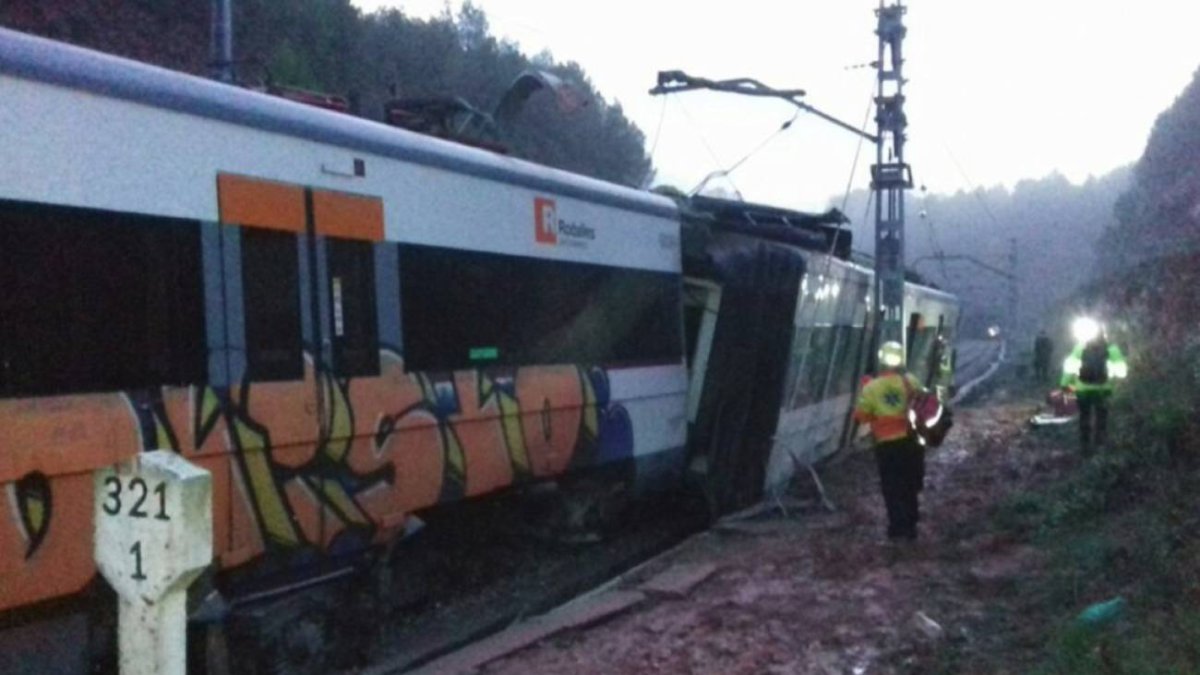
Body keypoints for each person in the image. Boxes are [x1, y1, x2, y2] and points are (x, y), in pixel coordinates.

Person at [854, 341, 927, 541]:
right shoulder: (910, 381)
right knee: (909, 484)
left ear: (881, 360)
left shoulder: (871, 387)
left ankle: (896, 528)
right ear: (901, 359)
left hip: (887, 446)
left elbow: (862, 417)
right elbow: (923, 404)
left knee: (891, 487)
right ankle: (911, 526)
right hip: (911, 443)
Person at [1060, 318, 1128, 454]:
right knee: (1101, 418)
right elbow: (1122, 373)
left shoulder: (1080, 348)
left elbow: (1070, 368)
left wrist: (1065, 384)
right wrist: (1114, 379)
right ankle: (1100, 445)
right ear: (1104, 334)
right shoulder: (1112, 349)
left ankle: (1085, 446)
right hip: (1104, 390)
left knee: (1084, 417)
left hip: (1083, 390)